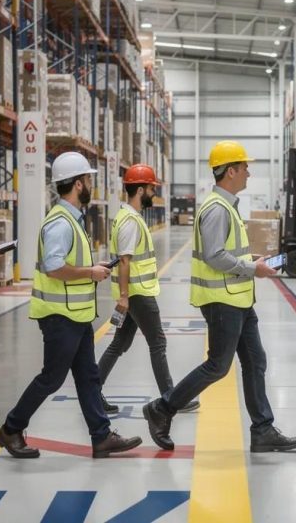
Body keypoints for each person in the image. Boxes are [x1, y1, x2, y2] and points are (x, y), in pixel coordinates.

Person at [142, 141, 296, 453]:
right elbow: (214, 255)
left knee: (256, 361)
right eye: (244, 167)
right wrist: (250, 268)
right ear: (230, 171)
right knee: (218, 365)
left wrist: (252, 260)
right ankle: (162, 408)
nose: (248, 172)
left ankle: (263, 430)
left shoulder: (227, 206)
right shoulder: (216, 209)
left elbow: (226, 252)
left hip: (240, 299)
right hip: (223, 301)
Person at [0, 151, 142, 459]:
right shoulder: (60, 223)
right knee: (52, 378)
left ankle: (101, 437)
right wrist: (90, 272)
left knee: (88, 377)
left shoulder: (70, 219)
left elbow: (65, 263)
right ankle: (10, 429)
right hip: (60, 317)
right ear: (77, 184)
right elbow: (53, 267)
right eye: (88, 180)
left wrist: (94, 267)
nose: (90, 185)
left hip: (76, 315)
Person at [97, 164, 200, 415]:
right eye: (151, 188)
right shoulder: (130, 221)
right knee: (158, 343)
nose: (153, 193)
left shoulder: (129, 217)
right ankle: (172, 397)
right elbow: (124, 261)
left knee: (119, 344)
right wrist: (124, 297)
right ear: (140, 189)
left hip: (134, 293)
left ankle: (92, 392)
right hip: (137, 293)